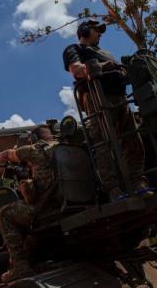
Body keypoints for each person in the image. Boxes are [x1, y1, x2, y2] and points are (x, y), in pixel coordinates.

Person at [62, 20, 146, 201]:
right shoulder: (75, 49)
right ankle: (113, 189)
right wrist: (98, 67)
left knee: (133, 140)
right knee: (103, 144)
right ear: (84, 31)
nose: (100, 34)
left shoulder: (106, 53)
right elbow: (77, 70)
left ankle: (137, 182)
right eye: (96, 30)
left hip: (121, 100)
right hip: (97, 98)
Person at [0, 126, 59, 282]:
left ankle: (20, 267)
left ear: (35, 140)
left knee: (5, 214)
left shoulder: (35, 149)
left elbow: (8, 155)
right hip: (64, 203)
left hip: (47, 208)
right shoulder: (61, 147)